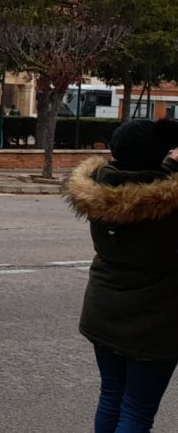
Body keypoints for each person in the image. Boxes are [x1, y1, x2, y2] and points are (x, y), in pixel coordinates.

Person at [64, 119, 178, 432]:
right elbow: (154, 190)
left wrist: (167, 165)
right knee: (137, 412)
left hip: (104, 309)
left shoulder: (100, 189)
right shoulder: (169, 203)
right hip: (154, 322)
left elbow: (140, 185)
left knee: (112, 397)